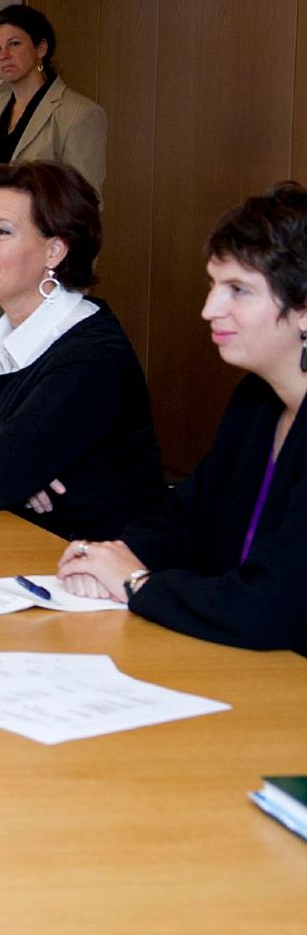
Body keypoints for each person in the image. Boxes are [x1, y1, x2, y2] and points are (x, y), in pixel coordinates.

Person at [59, 183, 307, 654]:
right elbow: (184, 522)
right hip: (236, 661)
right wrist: (110, 557)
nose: (210, 310)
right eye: (213, 285)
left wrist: (136, 582)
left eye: (239, 290)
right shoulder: (258, 400)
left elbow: (272, 610)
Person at [0, 161, 166, 538]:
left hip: (86, 558)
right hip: (10, 537)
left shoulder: (91, 356)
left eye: (1, 232)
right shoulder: (8, 334)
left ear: (54, 250)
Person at [0, 5, 107, 228]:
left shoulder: (79, 113)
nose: (4, 55)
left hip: (37, 244)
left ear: (41, 48)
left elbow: (84, 203)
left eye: (14, 44)